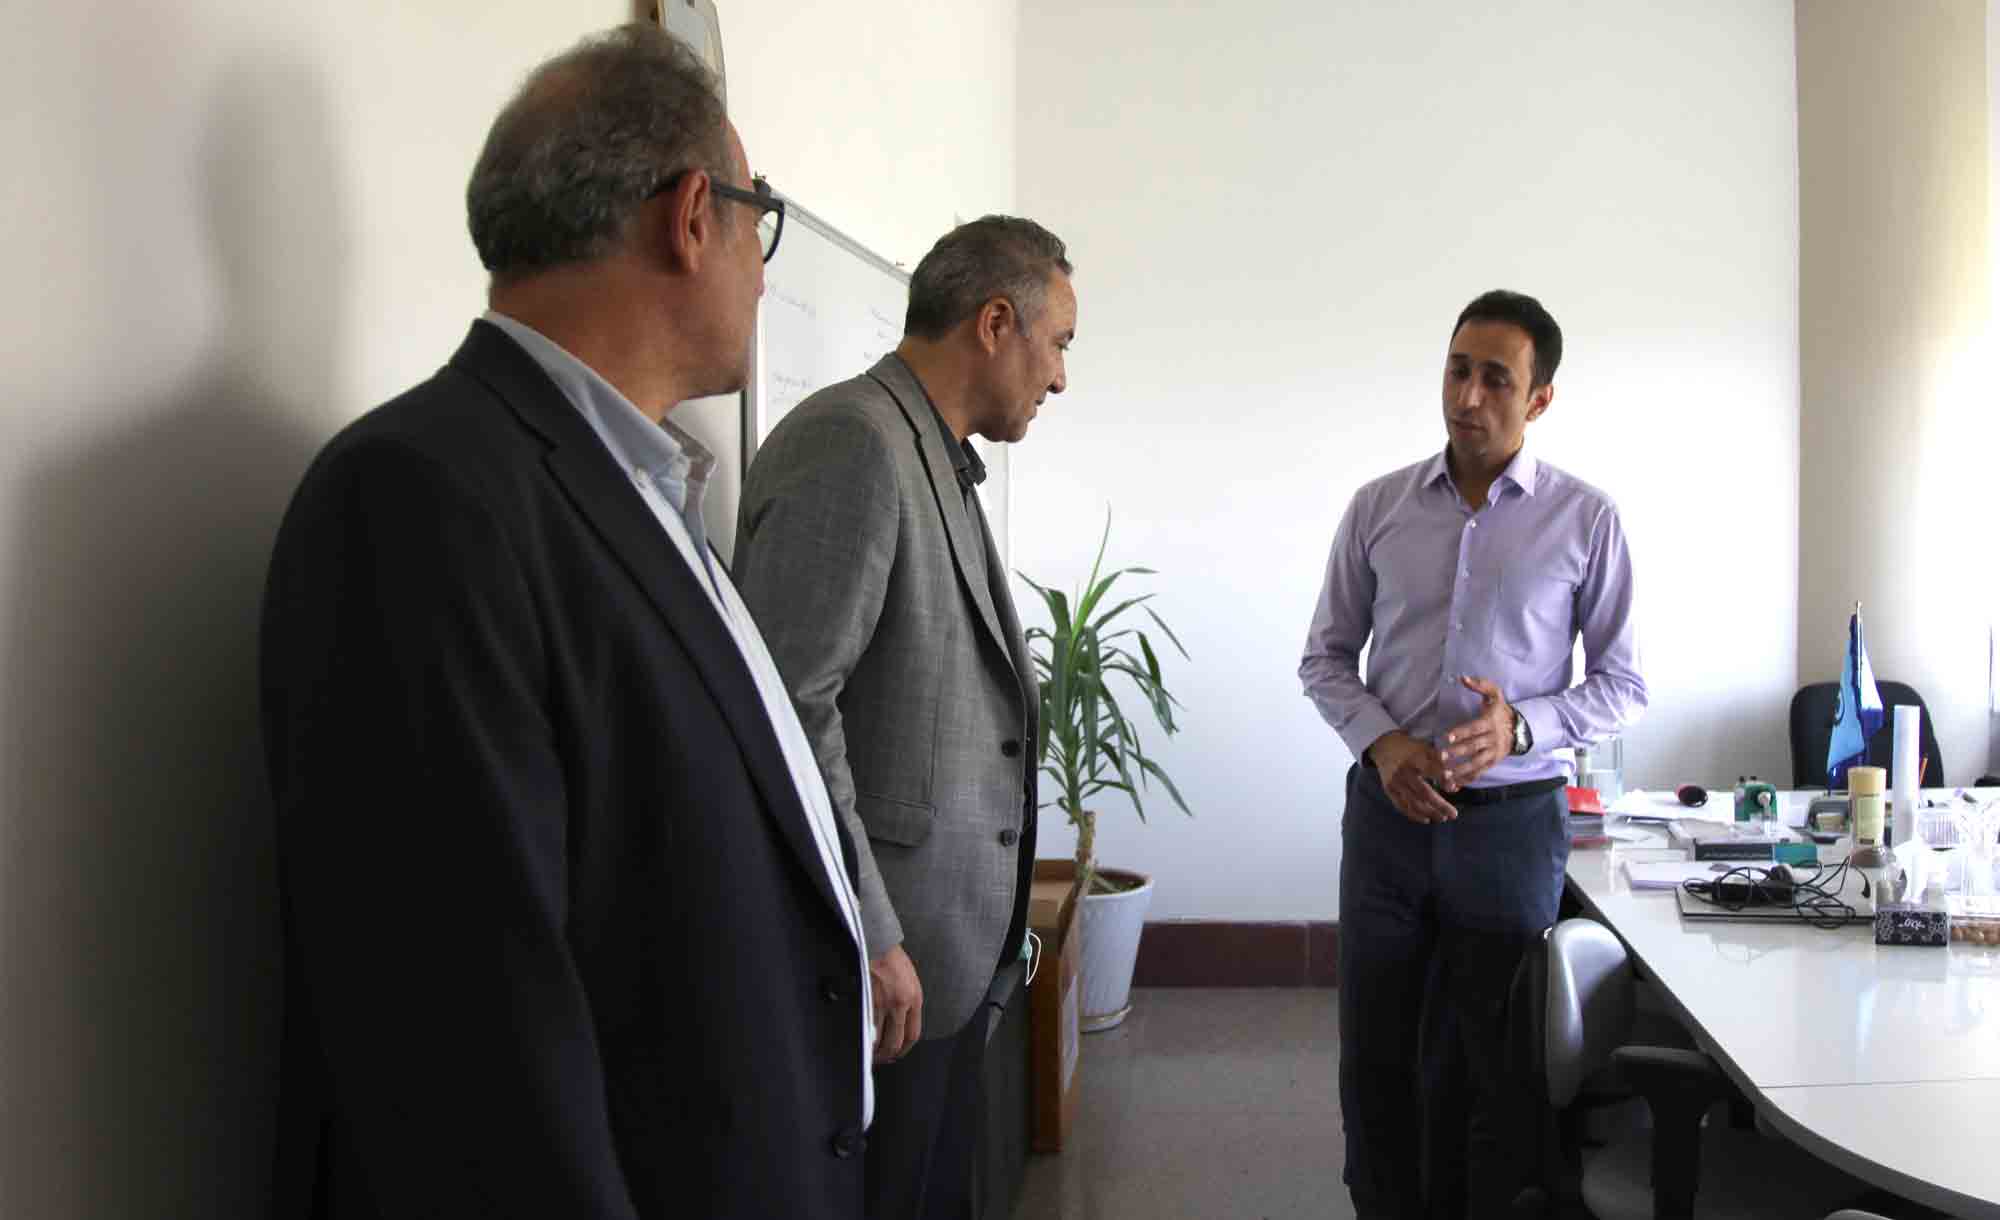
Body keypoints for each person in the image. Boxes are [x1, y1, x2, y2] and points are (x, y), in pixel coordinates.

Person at [259, 25, 871, 1220]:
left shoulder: (636, 485)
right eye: (757, 223)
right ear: (691, 217)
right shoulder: (419, 495)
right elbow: (462, 1040)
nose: (760, 273)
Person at [732, 216, 1073, 1220]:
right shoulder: (854, 441)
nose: (1059, 377)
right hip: (887, 970)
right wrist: (871, 935)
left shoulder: (933, 448)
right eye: (1057, 344)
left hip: (944, 963)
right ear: (995, 324)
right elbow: (789, 707)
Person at [1298, 290, 1648, 1219]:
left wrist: (1519, 726)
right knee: (1376, 1045)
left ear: (1539, 399)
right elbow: (1325, 658)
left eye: (1497, 379)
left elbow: (1623, 685)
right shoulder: (1378, 508)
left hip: (1511, 828)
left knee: (1497, 1056)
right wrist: (1383, 744)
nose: (1468, 396)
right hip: (1388, 819)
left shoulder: (1586, 519)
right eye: (1458, 370)